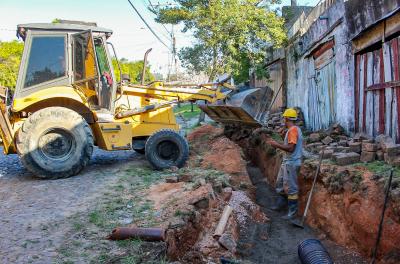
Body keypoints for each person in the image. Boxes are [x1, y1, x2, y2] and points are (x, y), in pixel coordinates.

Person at [262, 108, 303, 220]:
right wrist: (280, 139)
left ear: (287, 118)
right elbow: (289, 145)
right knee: (280, 183)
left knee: (291, 188)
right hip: (287, 162)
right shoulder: (292, 130)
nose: (283, 120)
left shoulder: (293, 130)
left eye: (284, 118)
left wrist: (276, 145)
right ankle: (281, 205)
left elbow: (290, 148)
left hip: (292, 163)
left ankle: (292, 213)